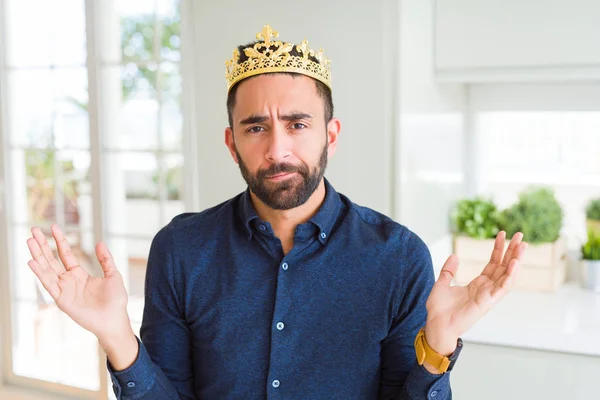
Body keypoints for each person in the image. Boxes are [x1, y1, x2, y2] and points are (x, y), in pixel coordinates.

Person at [26, 25, 527, 400]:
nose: (277, 148)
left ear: (330, 134)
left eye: (297, 124)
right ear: (232, 143)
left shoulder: (398, 257)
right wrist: (116, 337)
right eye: (255, 127)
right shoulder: (181, 250)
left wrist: (438, 344)